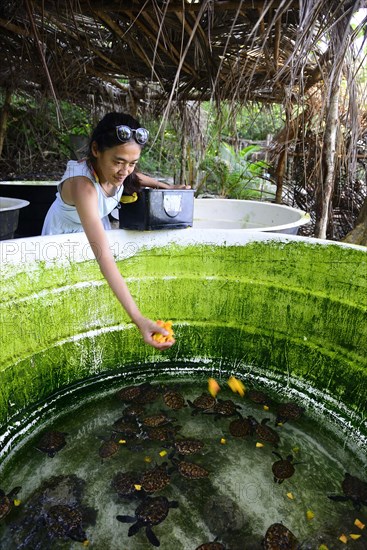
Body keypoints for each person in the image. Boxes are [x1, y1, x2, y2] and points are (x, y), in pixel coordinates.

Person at [42, 111, 186, 350]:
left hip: (95, 225)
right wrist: (139, 319)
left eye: (132, 163)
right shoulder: (83, 186)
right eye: (118, 161)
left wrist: (166, 186)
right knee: (66, 297)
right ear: (96, 150)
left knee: (96, 290)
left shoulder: (121, 172)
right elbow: (104, 256)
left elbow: (137, 177)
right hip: (65, 235)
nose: (124, 170)